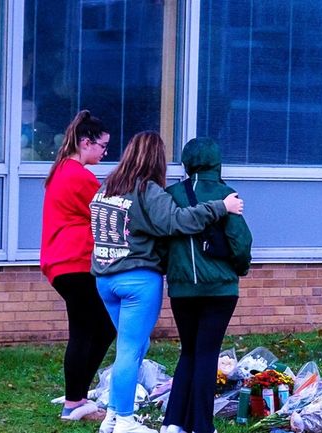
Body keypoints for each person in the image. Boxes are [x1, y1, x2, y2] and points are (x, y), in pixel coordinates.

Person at [90, 131, 243, 433]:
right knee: (130, 349)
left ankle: (111, 415)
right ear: (155, 159)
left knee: (131, 345)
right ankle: (124, 420)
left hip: (104, 279)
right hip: (136, 280)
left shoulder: (106, 189)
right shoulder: (147, 191)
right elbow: (178, 222)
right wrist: (221, 207)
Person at [160, 138, 253, 433]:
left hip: (182, 288)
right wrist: (239, 269)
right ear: (216, 162)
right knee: (207, 353)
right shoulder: (227, 195)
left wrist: (172, 270)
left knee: (188, 351)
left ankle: (174, 422)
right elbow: (241, 242)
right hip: (220, 289)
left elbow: (161, 243)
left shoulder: (170, 194)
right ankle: (201, 425)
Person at [40, 110, 116, 421]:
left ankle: (78, 394)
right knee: (92, 330)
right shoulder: (80, 176)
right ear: (85, 142)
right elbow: (106, 214)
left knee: (93, 328)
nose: (104, 152)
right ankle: (74, 402)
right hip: (76, 262)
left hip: (61, 262)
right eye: (103, 146)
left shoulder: (61, 170)